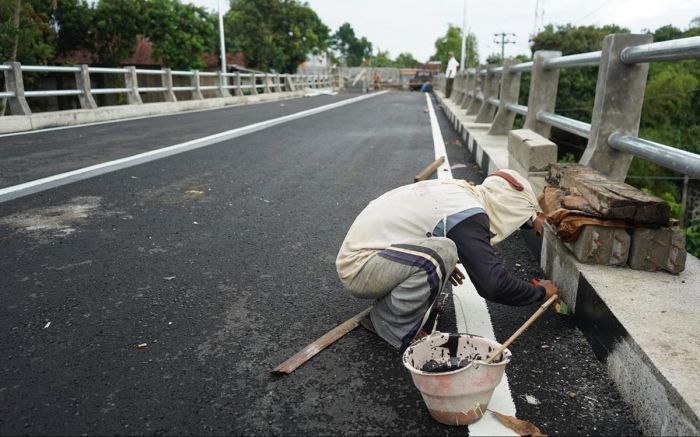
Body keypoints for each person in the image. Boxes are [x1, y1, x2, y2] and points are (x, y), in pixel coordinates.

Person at [336, 169, 558, 350]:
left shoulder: (460, 192)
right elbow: (493, 285)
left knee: (444, 255)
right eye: (520, 221)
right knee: (444, 250)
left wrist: (443, 264)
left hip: (372, 260)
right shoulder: (470, 212)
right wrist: (540, 292)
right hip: (360, 269)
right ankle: (388, 323)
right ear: (510, 207)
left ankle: (394, 308)